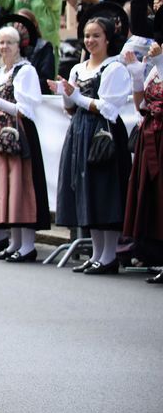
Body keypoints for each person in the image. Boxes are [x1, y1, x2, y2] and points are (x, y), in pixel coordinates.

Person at [50, 17, 133, 274]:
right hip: (80, 132)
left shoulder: (114, 68)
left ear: (107, 38)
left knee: (104, 191)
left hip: (102, 135)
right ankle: (97, 253)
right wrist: (65, 95)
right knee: (87, 191)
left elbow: (108, 108)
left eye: (96, 35)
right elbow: (70, 109)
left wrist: (77, 96)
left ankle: (109, 256)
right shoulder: (79, 68)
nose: (90, 40)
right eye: (87, 35)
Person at [0, 26, 50, 262]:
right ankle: (14, 241)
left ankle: (27, 244)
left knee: (21, 185)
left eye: (9, 42)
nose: (4, 47)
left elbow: (26, 109)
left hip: (19, 132)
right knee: (5, 185)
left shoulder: (26, 71)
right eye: (1, 42)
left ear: (19, 46)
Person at [125, 42, 163, 283]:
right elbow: (141, 106)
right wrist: (137, 77)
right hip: (152, 135)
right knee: (155, 200)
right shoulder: (154, 69)